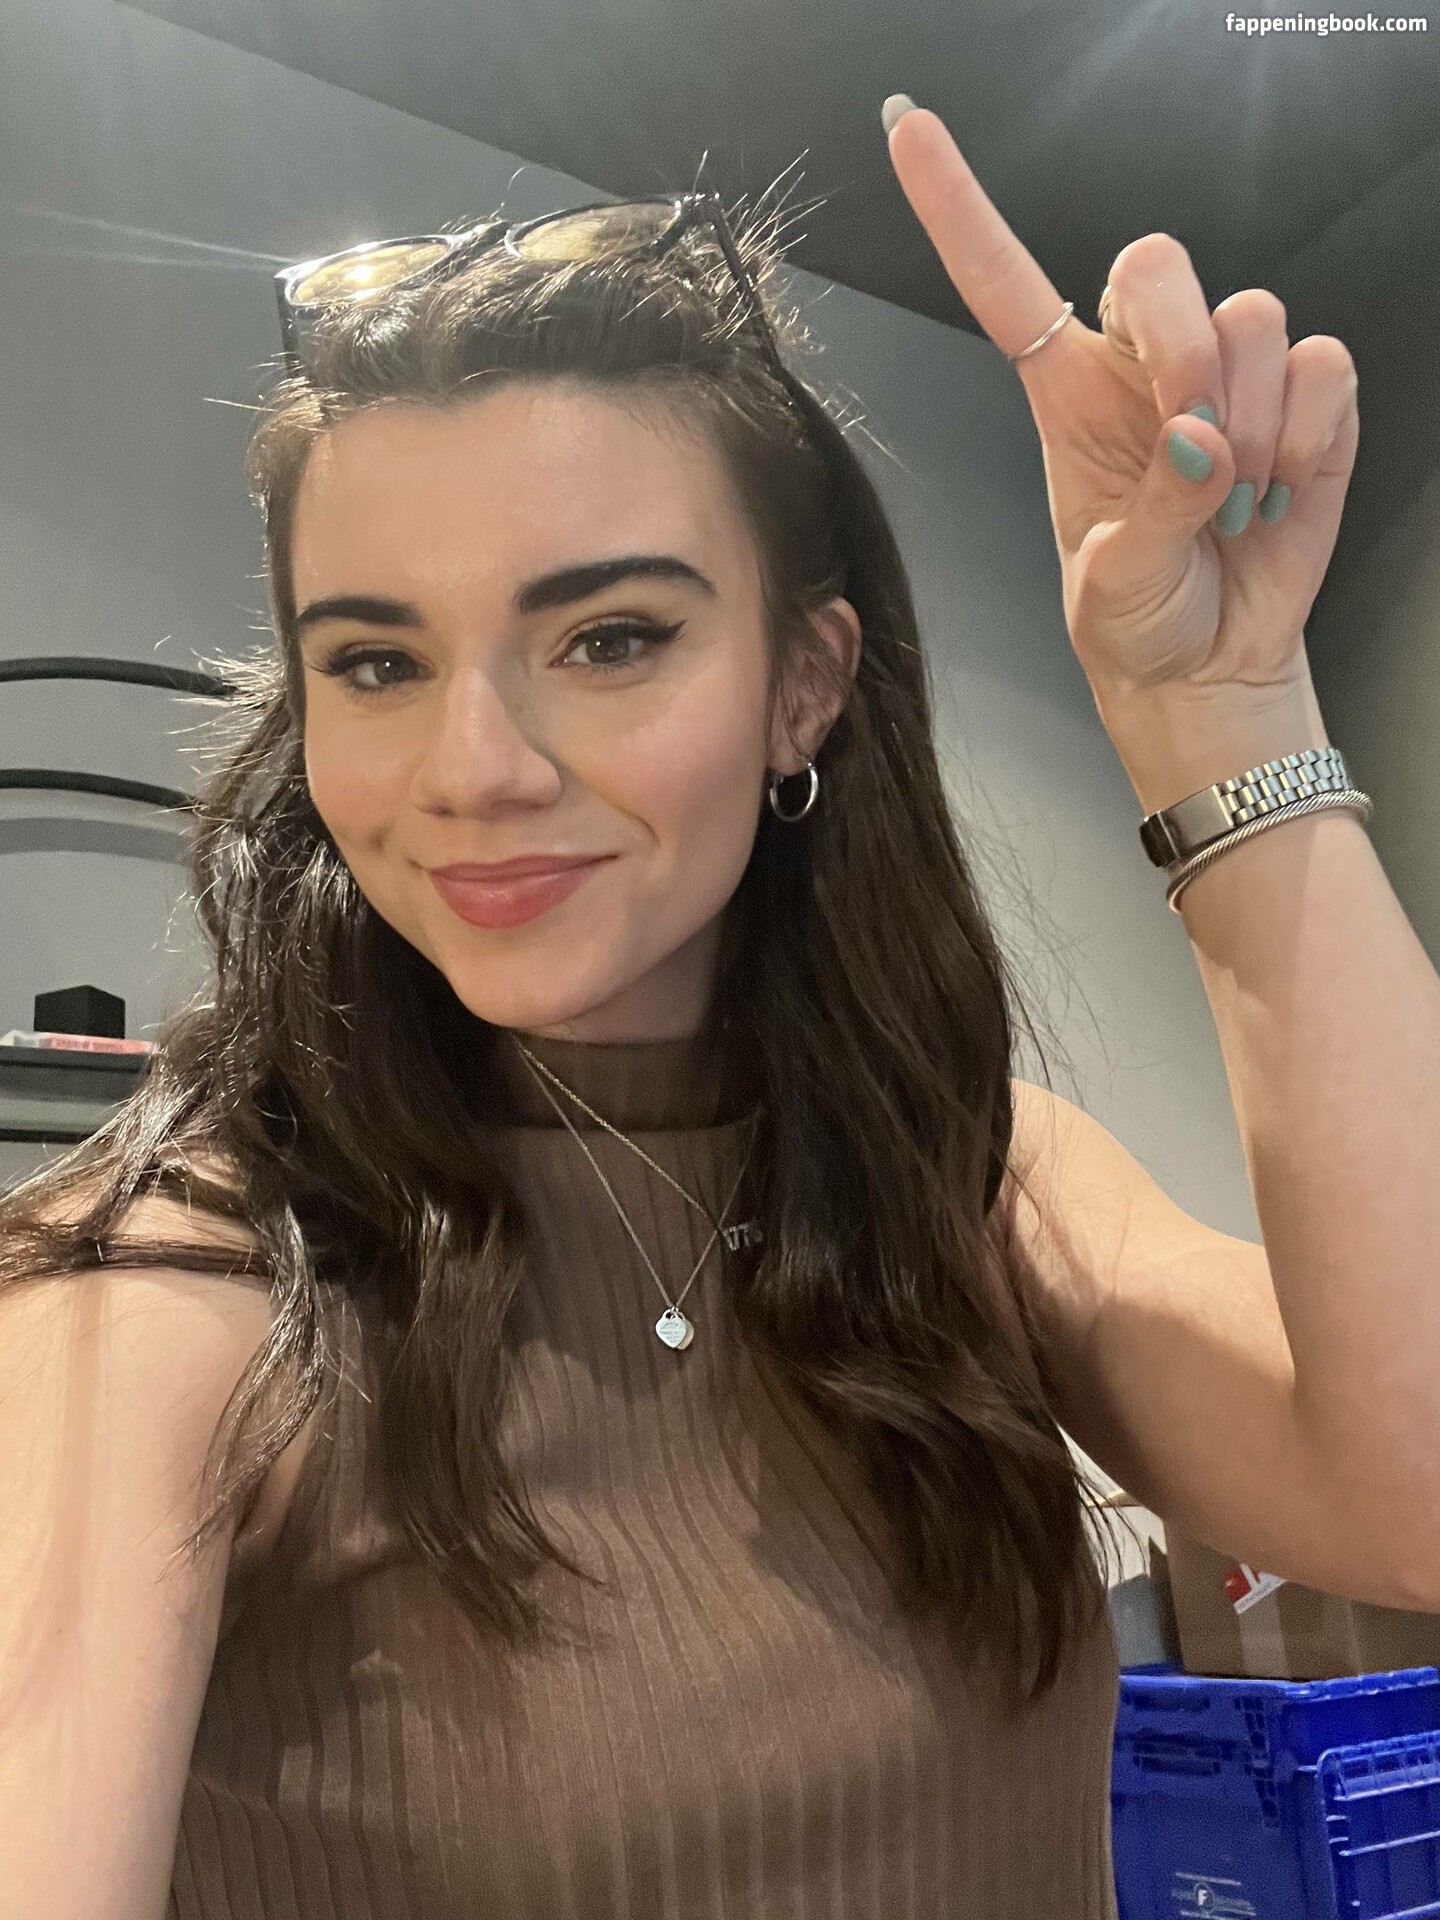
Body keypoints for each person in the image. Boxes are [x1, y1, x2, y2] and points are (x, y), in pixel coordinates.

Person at [4, 95, 1437, 1920]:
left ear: (804, 686)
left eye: (609, 638)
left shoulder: (975, 1183)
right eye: (375, 660)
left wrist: (1219, 709)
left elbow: (1413, 1496)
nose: (473, 766)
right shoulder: (164, 1288)